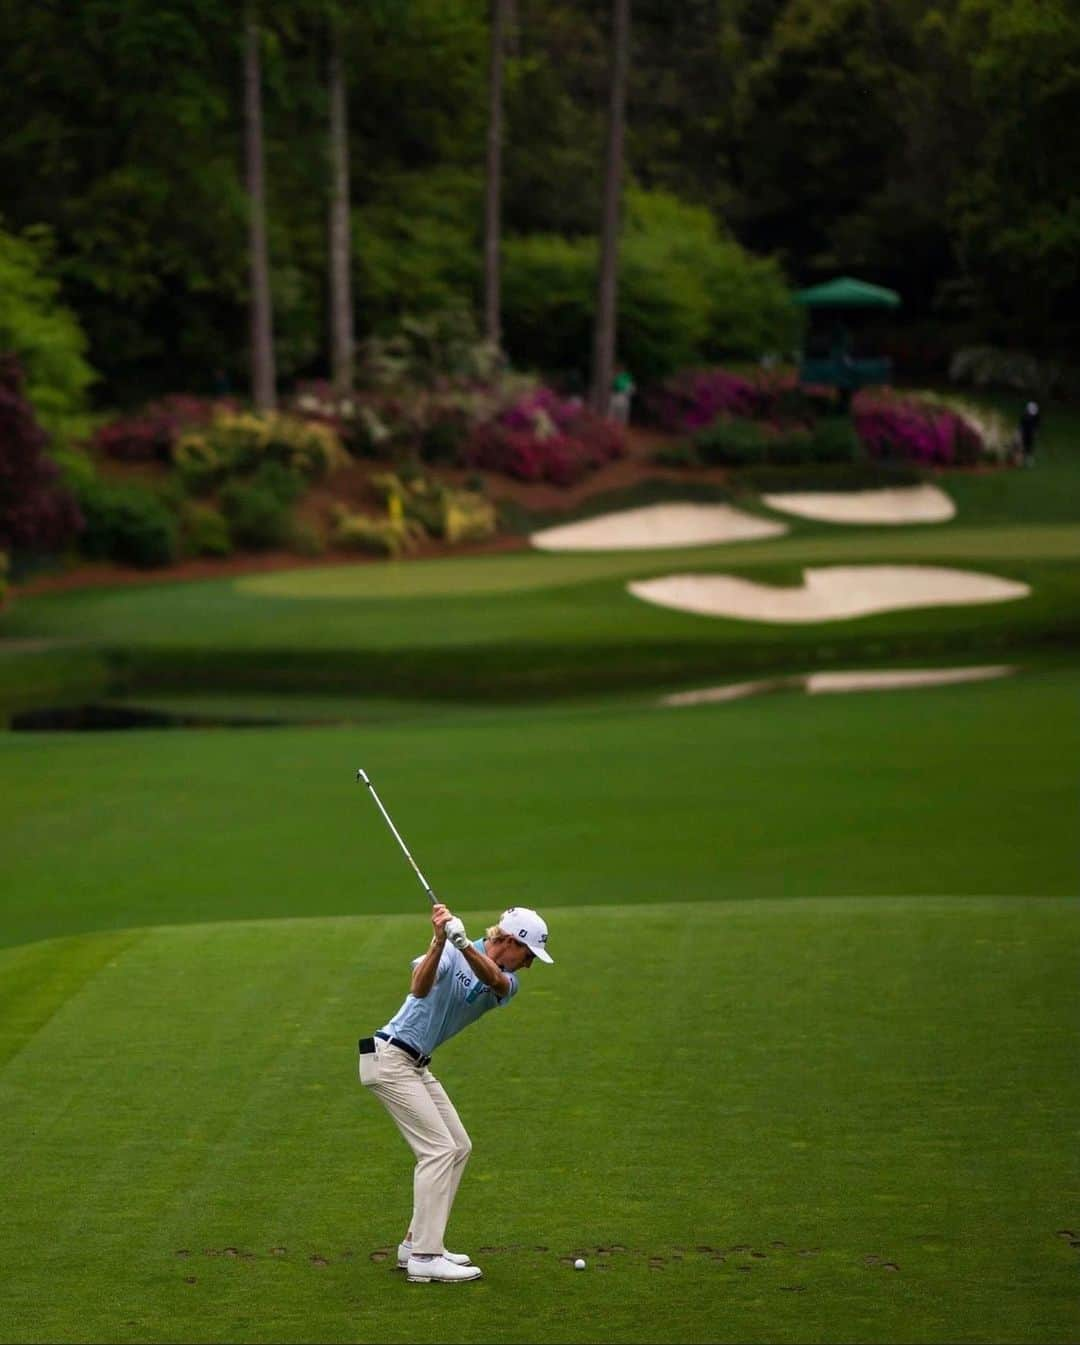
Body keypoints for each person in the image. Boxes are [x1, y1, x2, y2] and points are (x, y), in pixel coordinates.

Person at [357, 902, 553, 1284]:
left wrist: (464, 946)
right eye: (528, 954)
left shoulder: (507, 980)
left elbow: (495, 981)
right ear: (511, 941)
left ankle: (415, 1243)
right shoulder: (449, 948)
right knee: (438, 1150)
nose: (528, 964)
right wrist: (438, 941)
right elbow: (418, 987)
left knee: (458, 1146)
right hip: (390, 1058)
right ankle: (426, 1258)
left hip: (415, 1065)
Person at [1018, 400, 1040, 467]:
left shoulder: (1035, 416)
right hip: (1025, 432)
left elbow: (1037, 424)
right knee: (1024, 446)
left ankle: (1029, 460)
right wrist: (1020, 431)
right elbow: (1021, 425)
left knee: (1030, 446)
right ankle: (1023, 460)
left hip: (1031, 433)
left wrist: (1036, 431)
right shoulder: (1024, 416)